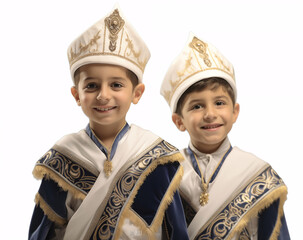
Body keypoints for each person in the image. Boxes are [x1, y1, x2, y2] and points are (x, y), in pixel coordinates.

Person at [28, 6, 189, 240]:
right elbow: (43, 233)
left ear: (137, 93)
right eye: (91, 86)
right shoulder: (62, 157)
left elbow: (175, 231)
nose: (103, 95)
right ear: (76, 95)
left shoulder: (158, 158)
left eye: (116, 85)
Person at [160, 33, 290, 239]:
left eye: (219, 103)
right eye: (197, 106)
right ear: (179, 121)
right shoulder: (167, 172)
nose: (210, 114)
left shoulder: (258, 174)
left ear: (235, 112)